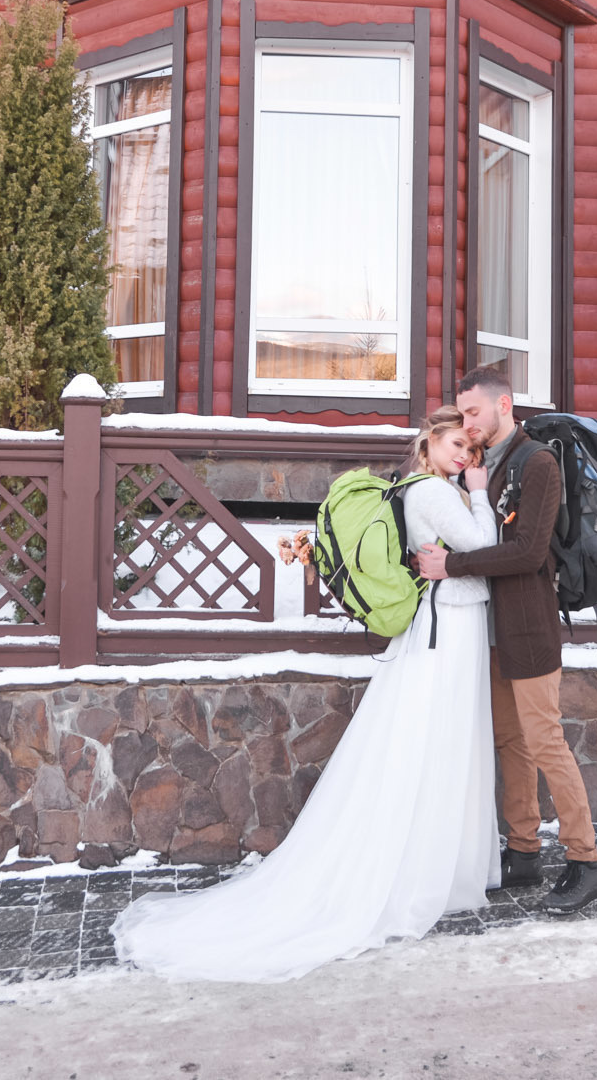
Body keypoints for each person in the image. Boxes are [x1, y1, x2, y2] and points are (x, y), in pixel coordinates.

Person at [112, 406, 501, 982]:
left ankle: (440, 865)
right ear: (430, 446)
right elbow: (483, 545)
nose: (464, 457)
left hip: (440, 620)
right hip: (453, 621)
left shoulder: (414, 489)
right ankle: (429, 871)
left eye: (470, 451)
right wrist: (479, 491)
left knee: (429, 736)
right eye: (454, 447)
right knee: (438, 738)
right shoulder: (436, 492)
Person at [416, 365, 597, 914]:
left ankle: (585, 862)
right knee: (511, 744)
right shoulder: (488, 467)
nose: (466, 423)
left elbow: (526, 551)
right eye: (461, 414)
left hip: (529, 629)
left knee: (546, 742)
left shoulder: (537, 462)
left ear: (504, 406)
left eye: (473, 412)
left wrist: (453, 564)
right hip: (494, 633)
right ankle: (523, 853)